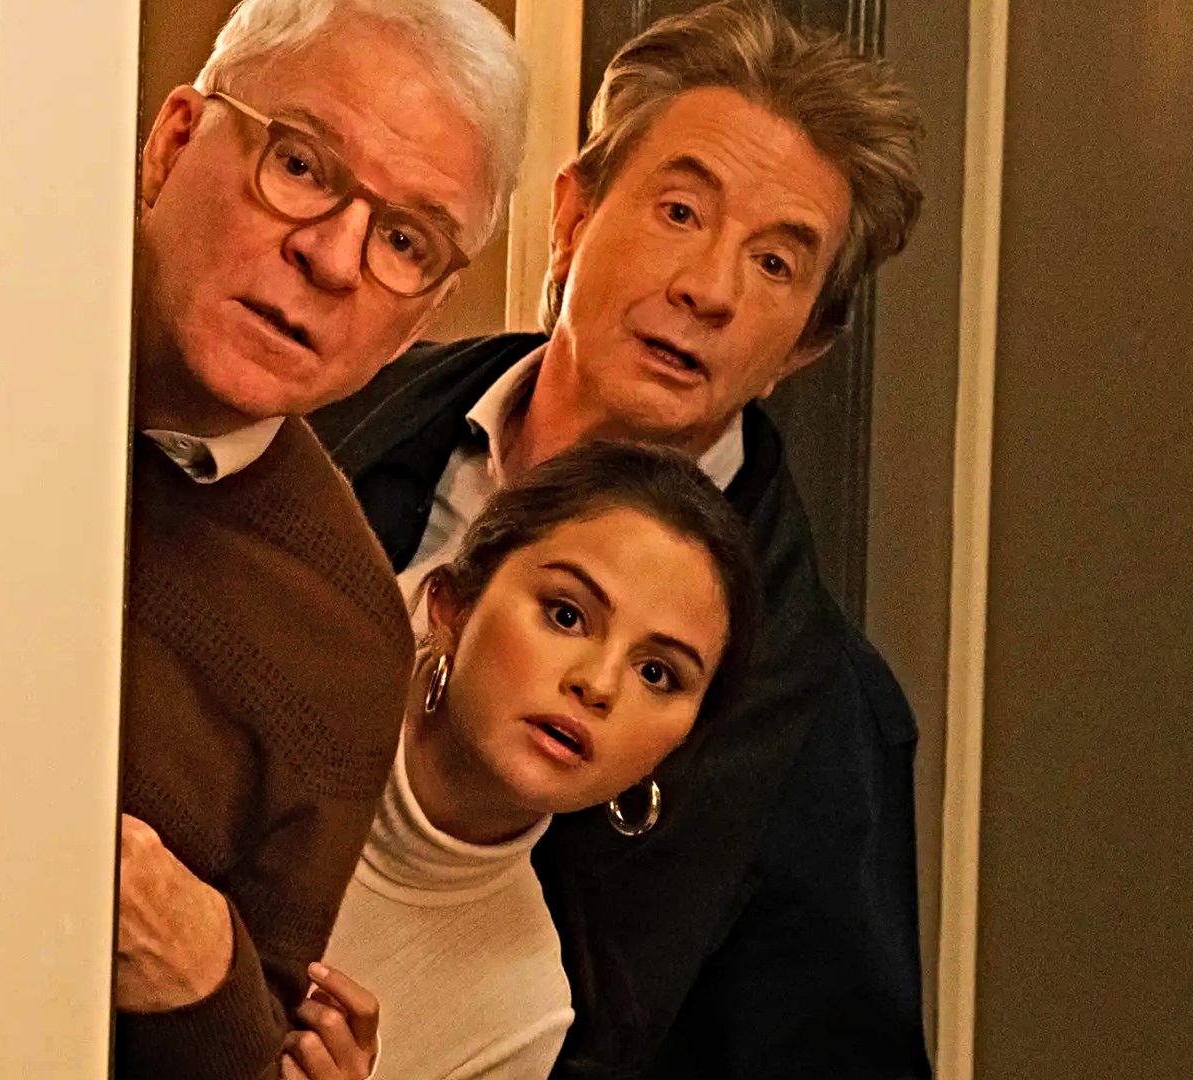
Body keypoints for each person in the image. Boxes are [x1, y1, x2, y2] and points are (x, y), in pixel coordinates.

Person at [310, 2, 930, 1075]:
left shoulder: (819, 714)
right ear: (572, 213)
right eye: (681, 211)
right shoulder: (335, 410)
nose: (708, 289)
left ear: (806, 346)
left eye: (776, 265)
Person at [112, 1, 527, 1077]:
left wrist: (206, 979)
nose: (335, 258)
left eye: (405, 242)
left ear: (421, 315)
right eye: (300, 165)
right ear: (173, 141)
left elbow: (254, 1040)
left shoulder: (344, 641)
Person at [281, 441, 761, 1080]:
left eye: (657, 673)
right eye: (566, 615)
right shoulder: (280, 696)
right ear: (452, 606)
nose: (598, 685)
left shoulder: (524, 1011)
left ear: (678, 742)